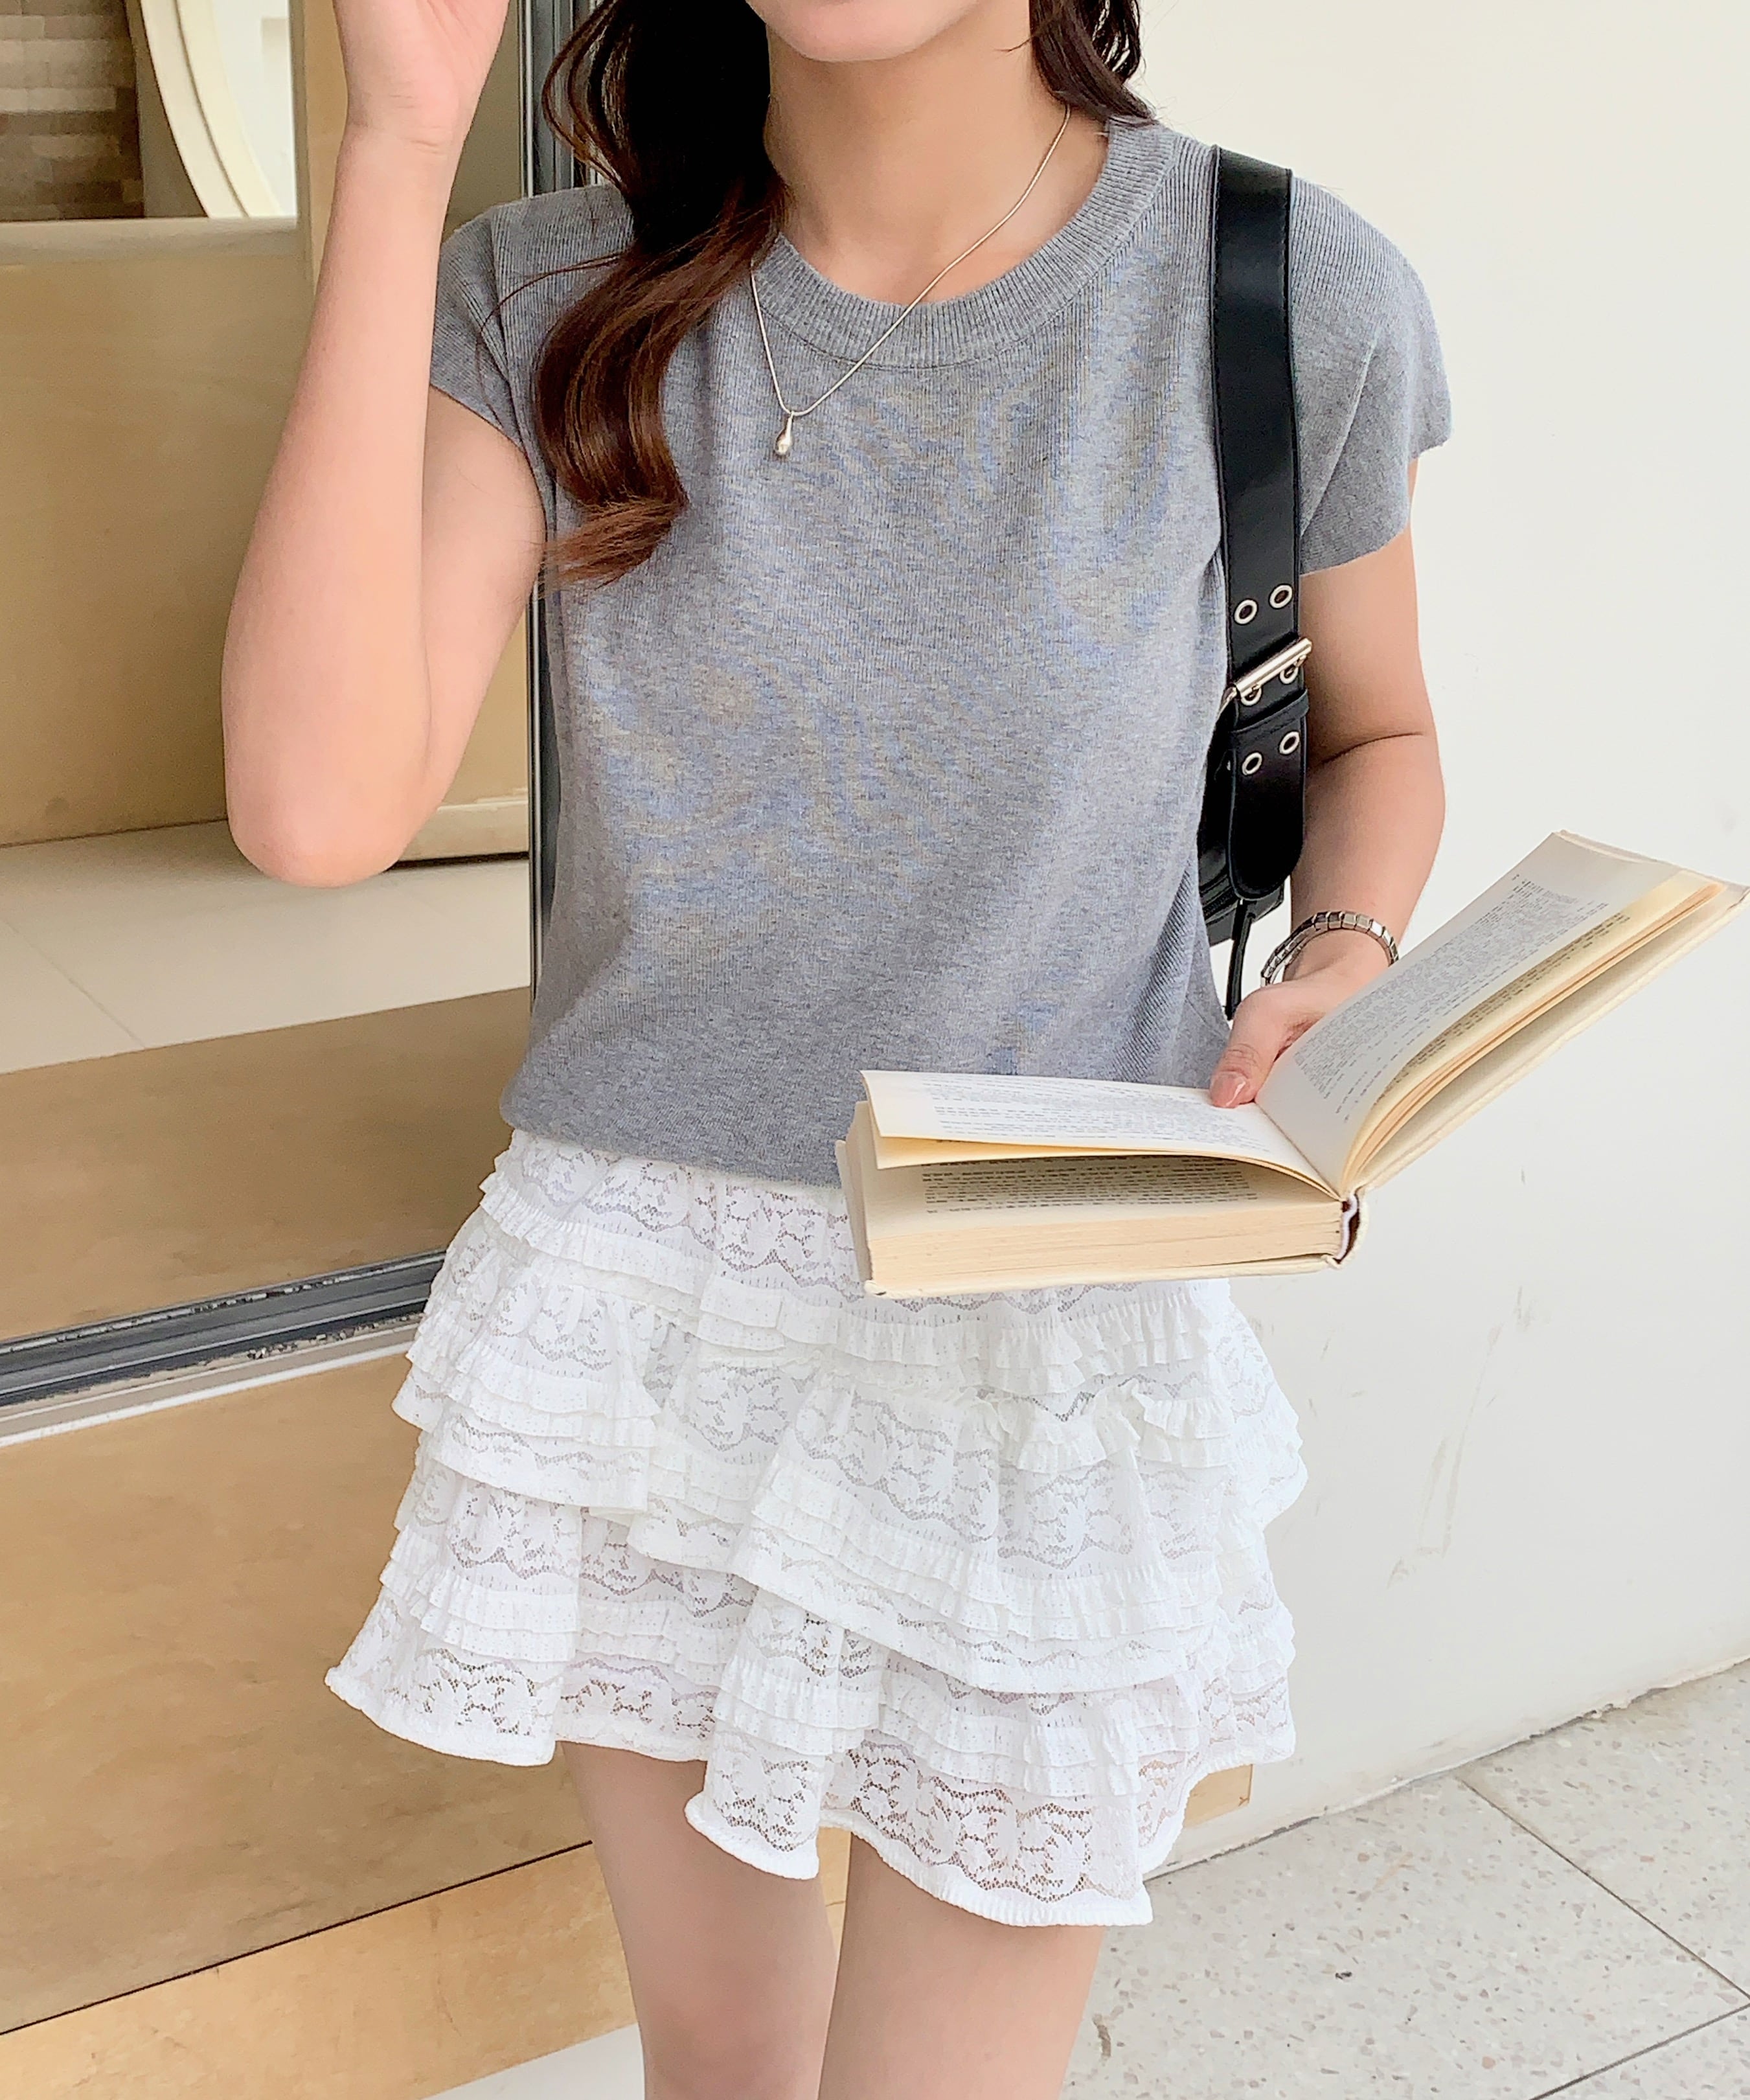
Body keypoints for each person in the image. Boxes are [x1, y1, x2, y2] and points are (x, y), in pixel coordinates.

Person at [223, 0, 1449, 2089]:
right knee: (721, 2059)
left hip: (1038, 1312)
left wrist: (1344, 946)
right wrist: (404, 139)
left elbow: (1374, 733)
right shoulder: (550, 289)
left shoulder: (1274, 287)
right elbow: (316, 807)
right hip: (646, 1303)